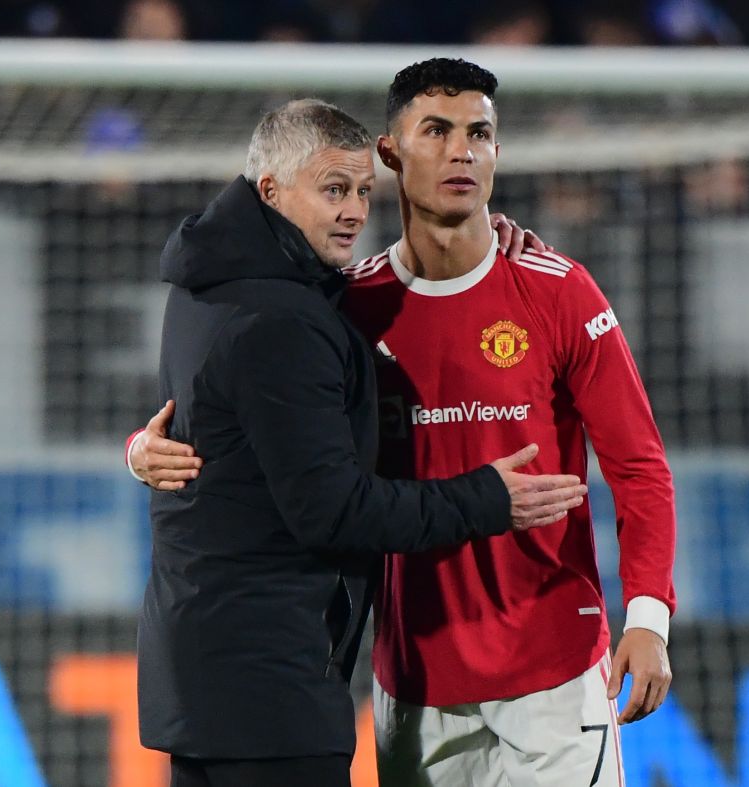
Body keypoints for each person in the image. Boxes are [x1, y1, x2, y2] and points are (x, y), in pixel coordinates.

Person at [133, 60, 676, 785]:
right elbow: (234, 387)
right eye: (438, 131)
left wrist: (648, 615)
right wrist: (142, 445)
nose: (462, 151)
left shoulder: (558, 290)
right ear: (392, 153)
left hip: (552, 670)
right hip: (413, 674)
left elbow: (639, 465)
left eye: (480, 134)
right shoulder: (346, 303)